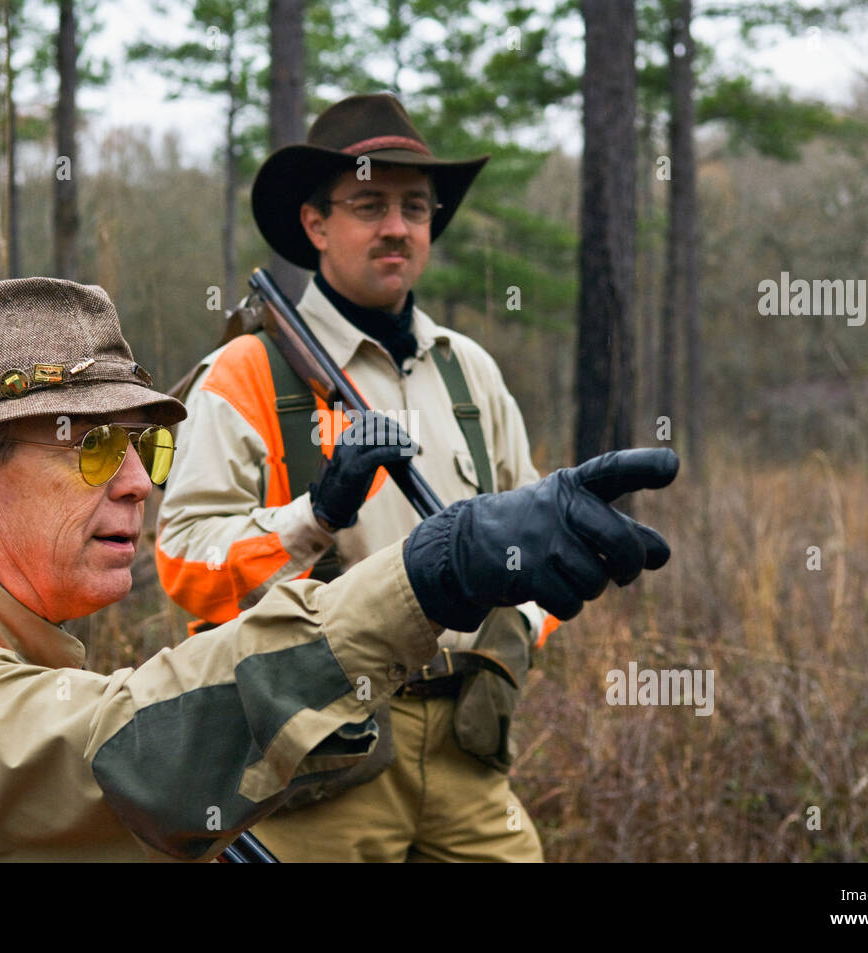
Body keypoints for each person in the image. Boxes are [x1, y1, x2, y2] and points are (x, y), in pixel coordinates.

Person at [0, 276, 677, 863]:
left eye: (143, 450)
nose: (134, 485)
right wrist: (431, 571)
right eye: (90, 450)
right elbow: (133, 753)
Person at [154, 94, 646, 861]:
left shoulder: (469, 370)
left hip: (469, 741)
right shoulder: (246, 371)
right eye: (369, 203)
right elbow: (184, 561)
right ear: (316, 224)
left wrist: (517, 625)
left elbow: (535, 536)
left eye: (415, 206)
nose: (397, 226)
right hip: (316, 749)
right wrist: (316, 511)